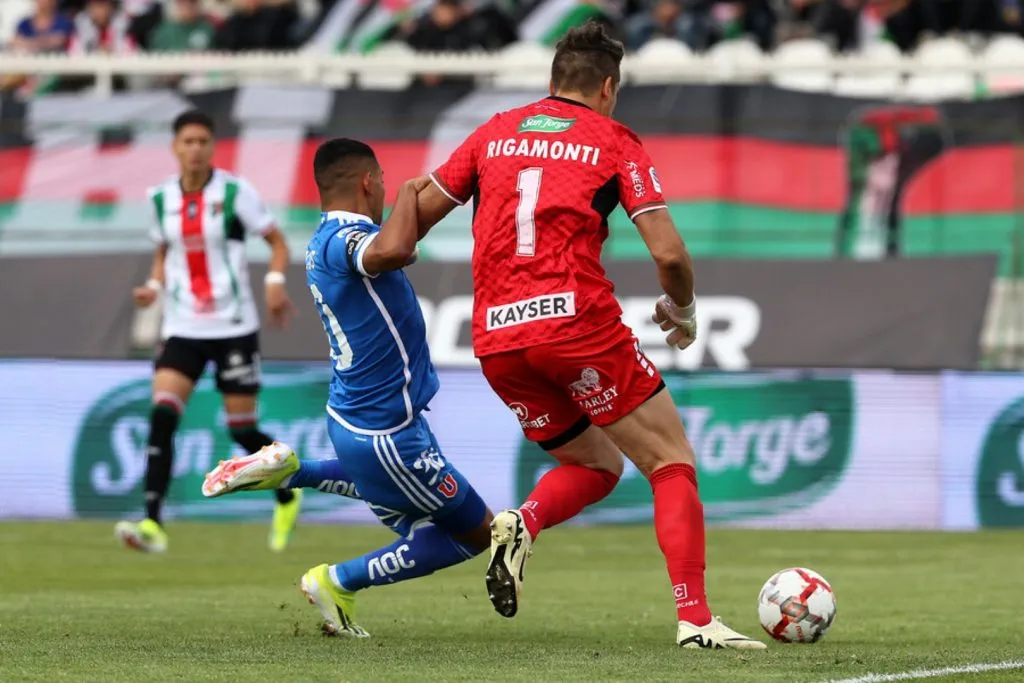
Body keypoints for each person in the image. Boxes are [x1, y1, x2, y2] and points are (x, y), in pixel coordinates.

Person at [410, 21, 766, 650]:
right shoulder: (613, 140)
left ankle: (522, 521)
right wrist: (681, 311)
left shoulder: (494, 132)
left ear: (552, 81)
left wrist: (370, 261)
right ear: (608, 87)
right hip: (575, 326)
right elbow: (672, 256)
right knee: (670, 461)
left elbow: (419, 204)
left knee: (595, 464)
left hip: (495, 337)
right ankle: (696, 619)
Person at [200, 139, 493, 638]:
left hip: (362, 420)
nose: (384, 188)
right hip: (387, 431)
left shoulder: (327, 239)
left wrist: (443, 189)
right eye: (381, 179)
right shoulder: (347, 240)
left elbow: (402, 239)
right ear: (367, 182)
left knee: (416, 520)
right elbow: (396, 247)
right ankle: (336, 579)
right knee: (475, 532)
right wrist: (407, 189)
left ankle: (294, 471)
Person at [114, 109, 305, 554]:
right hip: (183, 326)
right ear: (175, 147)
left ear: (212, 146)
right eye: (188, 141)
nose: (195, 149)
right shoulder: (160, 198)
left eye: (203, 141)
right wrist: (155, 286)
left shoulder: (236, 193)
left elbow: (277, 242)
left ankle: (286, 490)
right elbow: (165, 247)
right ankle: (152, 524)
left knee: (241, 429)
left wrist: (275, 283)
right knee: (162, 416)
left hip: (234, 326)